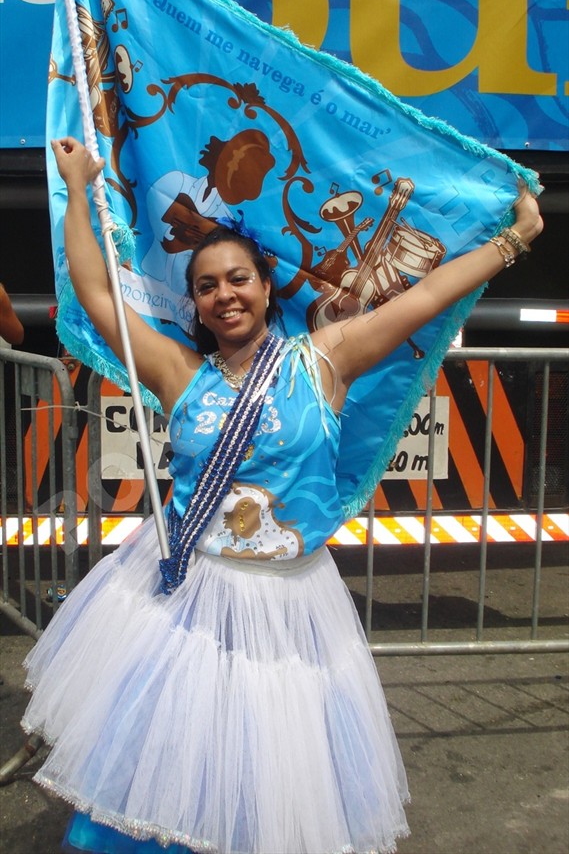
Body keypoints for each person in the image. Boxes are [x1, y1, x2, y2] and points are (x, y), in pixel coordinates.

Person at [23, 136, 543, 854]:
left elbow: (424, 296)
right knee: (169, 757)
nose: (224, 295)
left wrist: (514, 241)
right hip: (186, 595)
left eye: (238, 279)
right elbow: (97, 292)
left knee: (266, 772)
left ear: (267, 288)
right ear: (195, 303)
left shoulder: (326, 360)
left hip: (288, 606)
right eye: (207, 286)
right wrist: (79, 186)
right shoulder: (178, 372)